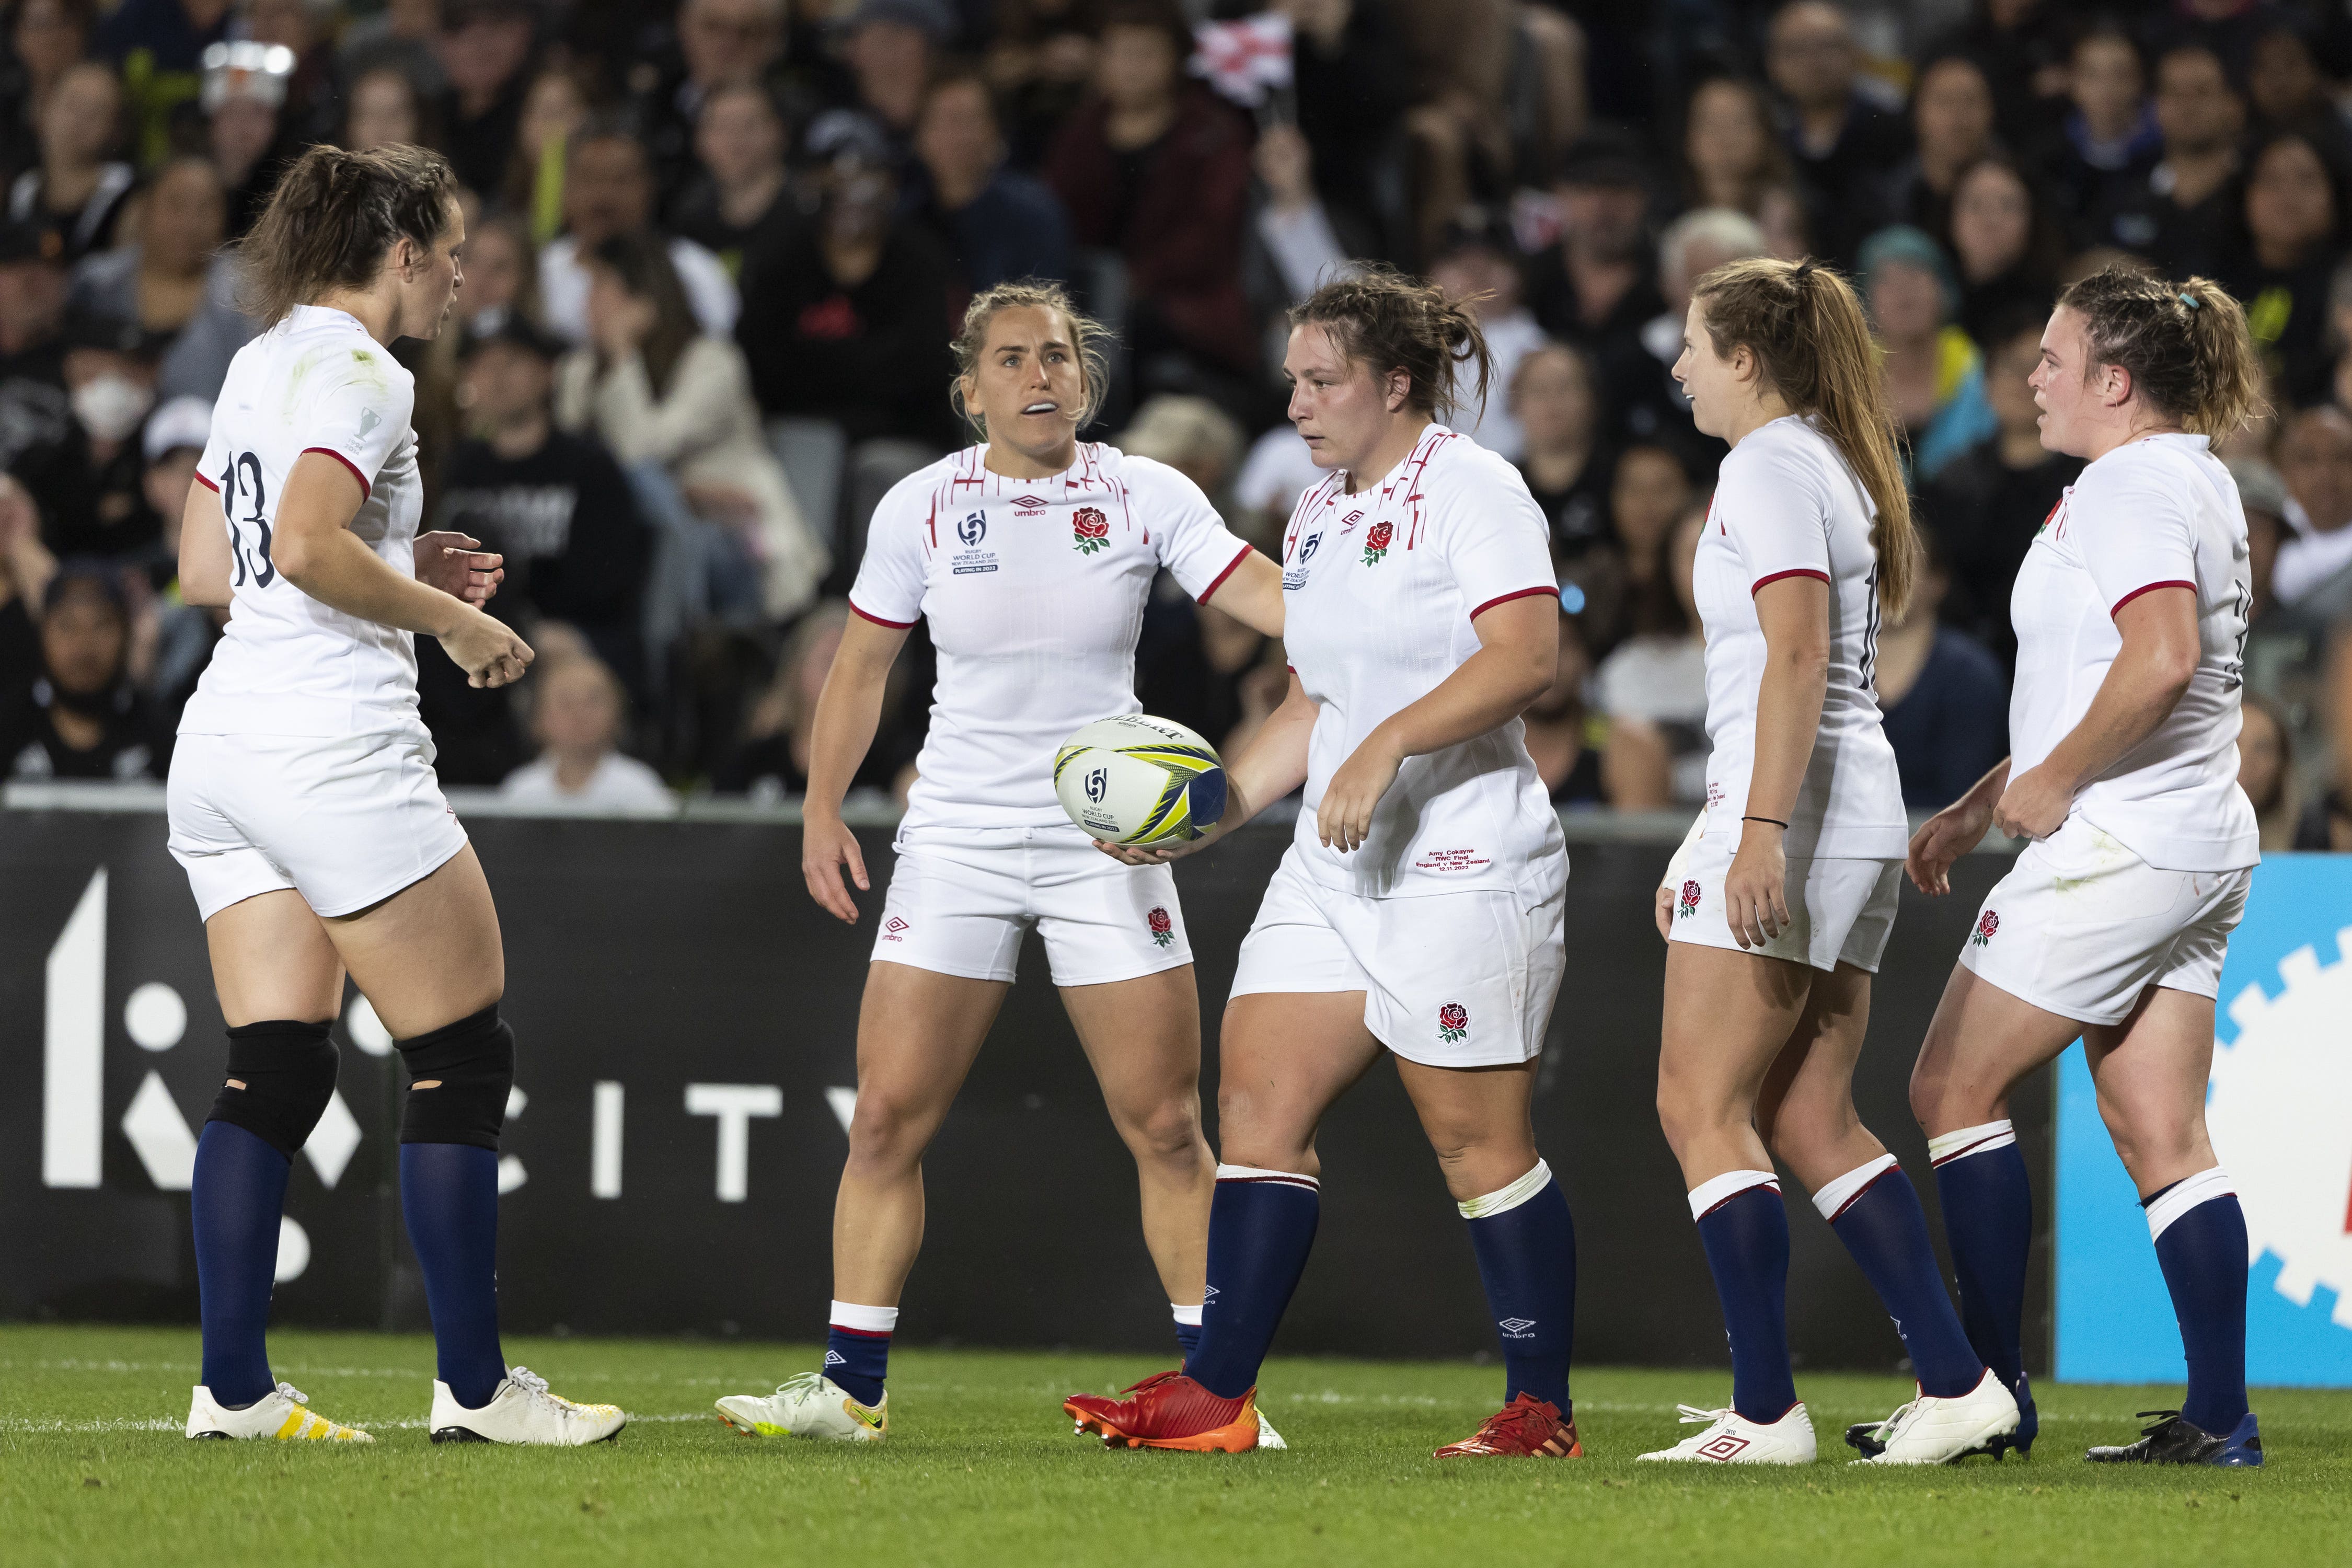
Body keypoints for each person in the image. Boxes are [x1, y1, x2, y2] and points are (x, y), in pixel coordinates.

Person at [710, 278, 1285, 1444]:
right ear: (971, 391)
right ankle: (849, 1390)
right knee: (884, 1120)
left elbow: (1265, 595)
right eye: (1015, 359)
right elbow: (860, 670)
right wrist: (823, 810)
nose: (1043, 376)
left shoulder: (1145, 492)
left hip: (1107, 844)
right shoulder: (921, 507)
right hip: (959, 835)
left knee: (1168, 1126)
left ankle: (1217, 1400)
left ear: (1088, 377)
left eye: (1061, 356)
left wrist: (1379, 617)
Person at [1063, 268, 1584, 1461]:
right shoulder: (1314, 511)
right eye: (1290, 378)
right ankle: (1218, 1392)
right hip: (1331, 856)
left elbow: (1528, 654)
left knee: (1473, 1139)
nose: (1294, 402)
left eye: (1320, 380)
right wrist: (1210, 807)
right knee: (1255, 1101)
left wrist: (1391, 741)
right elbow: (1315, 700)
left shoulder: (1471, 487)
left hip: (1459, 847)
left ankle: (1536, 1407)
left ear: (1393, 383)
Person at [164, 142, 620, 1446]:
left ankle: (235, 1390)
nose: (464, 276)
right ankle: (476, 1391)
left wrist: (391, 556)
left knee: (273, 1059)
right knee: (461, 1054)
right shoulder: (367, 369)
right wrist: (446, 620)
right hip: (331, 745)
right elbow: (303, 547)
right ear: (399, 248)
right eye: (454, 250)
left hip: (227, 745)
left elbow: (215, 562)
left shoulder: (261, 359)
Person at [1639, 256, 2016, 1468]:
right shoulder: (1824, 460)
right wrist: (1725, 822)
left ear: (1744, 358)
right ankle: (1956, 1384)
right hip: (1840, 806)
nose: (1676, 365)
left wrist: (1749, 832)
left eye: (1692, 344)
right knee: (1803, 1111)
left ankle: (1764, 1409)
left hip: (1795, 813)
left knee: (1695, 1102)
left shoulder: (1761, 465)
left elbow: (1793, 658)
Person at [1906, 265, 2266, 1467]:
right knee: (2157, 1128)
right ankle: (2219, 1415)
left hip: (2119, 838)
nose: (2030, 376)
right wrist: (1973, 802)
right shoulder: (2187, 478)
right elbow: (2092, 674)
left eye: (2051, 359)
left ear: (2112, 382)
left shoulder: (2123, 485)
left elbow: (2157, 656)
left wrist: (2049, 784)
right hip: (2194, 832)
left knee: (1945, 1091)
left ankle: (1985, 1393)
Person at [554, 230, 826, 624]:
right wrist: (686, 494)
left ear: (643, 296)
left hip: (737, 541)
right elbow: (570, 465)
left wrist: (623, 354)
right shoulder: (579, 371)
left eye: (601, 289)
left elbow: (642, 451)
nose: (588, 305)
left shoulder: (715, 363)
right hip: (633, 535)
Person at [0, 561, 165, 780]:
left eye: (102, 625)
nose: (84, 646)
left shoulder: (165, 738)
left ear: (126, 635)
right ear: (41, 635)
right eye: (67, 626)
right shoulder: (7, 728)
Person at [1859, 225, 1995, 483]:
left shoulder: (1984, 376)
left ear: (1944, 290)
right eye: (1886, 279)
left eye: (1915, 273)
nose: (1903, 290)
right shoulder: (1848, 381)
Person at [499, 653, 672, 811]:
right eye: (566, 703)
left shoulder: (642, 789)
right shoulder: (520, 791)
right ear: (538, 718)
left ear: (618, 712)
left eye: (593, 701)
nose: (580, 714)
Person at [8, 59, 133, 266]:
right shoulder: (22, 190)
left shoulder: (129, 195)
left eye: (97, 111)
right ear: (43, 109)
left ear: (116, 129)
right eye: (72, 104)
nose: (80, 120)